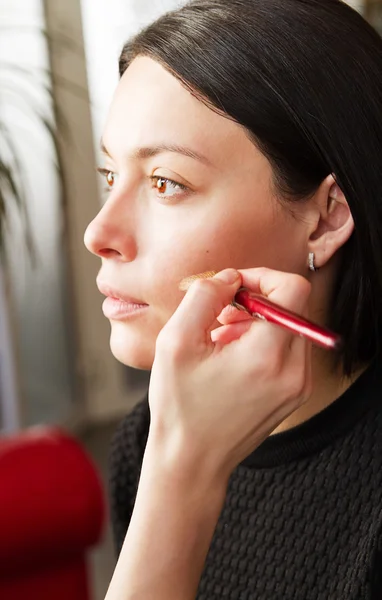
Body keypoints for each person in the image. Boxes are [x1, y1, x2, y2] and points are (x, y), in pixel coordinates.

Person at [84, 0, 382, 598]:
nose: (98, 233)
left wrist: (183, 474)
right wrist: (177, 470)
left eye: (167, 183)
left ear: (327, 219)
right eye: (111, 176)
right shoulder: (150, 437)